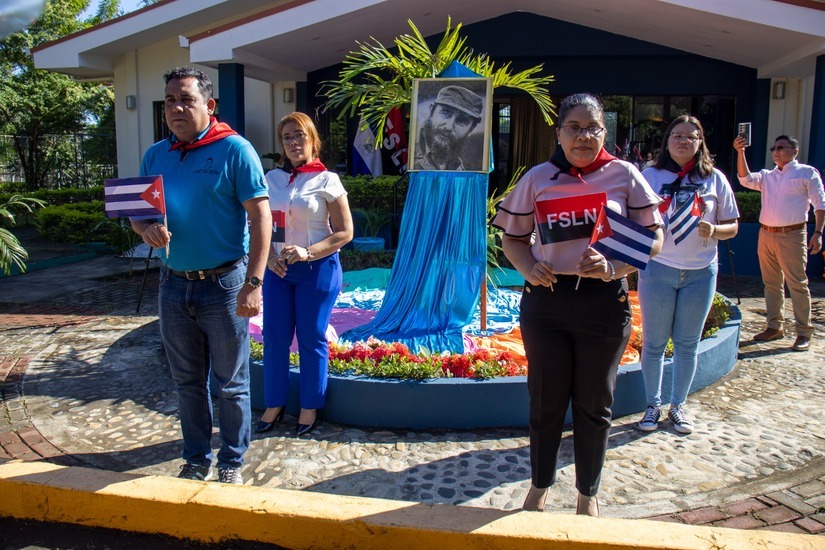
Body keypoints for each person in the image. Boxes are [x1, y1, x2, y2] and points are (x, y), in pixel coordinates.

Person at [492, 93, 664, 516]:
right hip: (546, 304)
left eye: (593, 128)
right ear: (559, 132)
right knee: (545, 402)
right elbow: (512, 238)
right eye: (574, 127)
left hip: (603, 303)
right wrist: (529, 267)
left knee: (594, 404)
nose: (583, 136)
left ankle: (588, 494)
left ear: (605, 132)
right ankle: (539, 486)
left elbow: (654, 238)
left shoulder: (623, 174)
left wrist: (614, 267)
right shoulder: (539, 177)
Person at [132, 66, 271, 484]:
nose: (176, 107)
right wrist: (146, 230)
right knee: (187, 383)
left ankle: (231, 461)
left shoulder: (234, 150)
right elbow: (138, 216)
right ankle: (195, 459)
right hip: (173, 285)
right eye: (170, 100)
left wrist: (254, 283)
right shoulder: (155, 154)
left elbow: (261, 219)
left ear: (208, 105)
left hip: (225, 286)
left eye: (186, 99)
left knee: (230, 384)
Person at [637, 115, 740, 435]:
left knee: (687, 344)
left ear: (700, 143)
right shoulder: (649, 176)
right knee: (654, 343)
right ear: (667, 140)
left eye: (691, 137)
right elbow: (631, 217)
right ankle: (652, 405)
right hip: (657, 270)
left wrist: (716, 229)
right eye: (677, 135)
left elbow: (733, 226)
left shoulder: (715, 179)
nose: (683, 141)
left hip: (700, 273)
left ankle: (677, 406)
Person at [258, 112, 353, 436]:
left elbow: (345, 233)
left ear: (313, 139)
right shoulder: (271, 179)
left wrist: (308, 252)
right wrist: (269, 257)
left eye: (299, 135)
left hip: (318, 269)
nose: (294, 142)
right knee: (274, 338)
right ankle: (275, 403)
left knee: (311, 339)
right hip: (279, 270)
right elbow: (262, 225)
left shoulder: (327, 180)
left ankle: (310, 407)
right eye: (287, 137)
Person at [734, 134, 825, 352]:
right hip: (766, 234)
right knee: (771, 283)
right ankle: (775, 327)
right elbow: (744, 178)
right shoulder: (768, 176)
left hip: (792, 235)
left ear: (795, 151)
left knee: (797, 284)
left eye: (781, 147)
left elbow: (819, 203)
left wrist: (819, 232)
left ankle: (804, 332)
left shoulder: (806, 173)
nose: (776, 151)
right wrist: (740, 151)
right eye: (774, 148)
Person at [412, 85, 483, 171]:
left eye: (462, 121)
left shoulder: (459, 167)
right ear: (431, 112)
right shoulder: (411, 156)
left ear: (471, 129)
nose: (449, 126)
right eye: (445, 113)